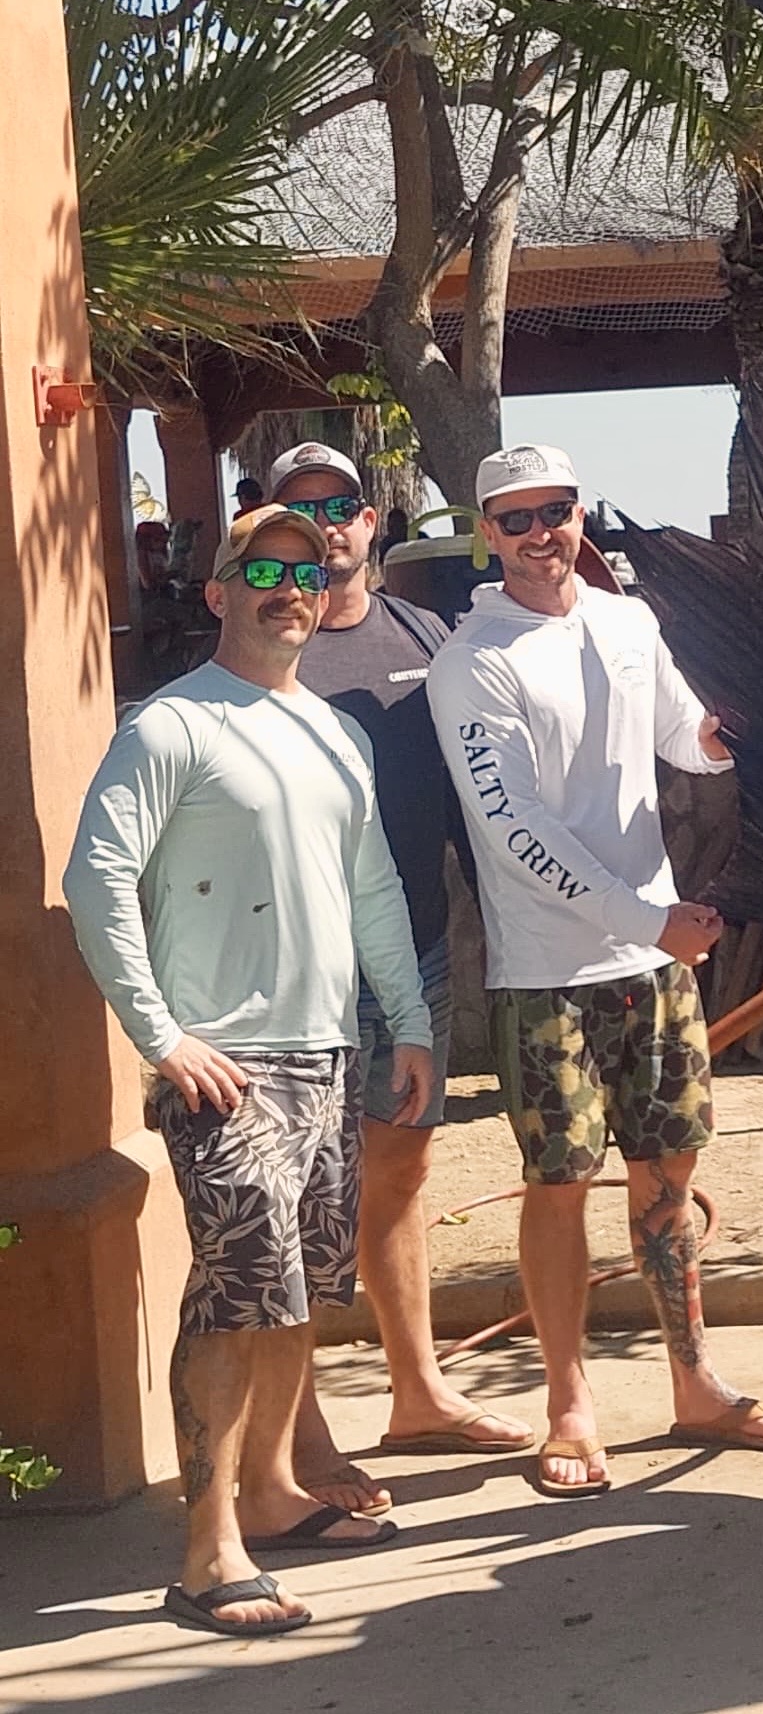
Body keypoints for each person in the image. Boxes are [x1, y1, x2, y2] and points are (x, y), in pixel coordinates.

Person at [63, 505, 433, 1637]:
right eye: (262, 569)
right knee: (232, 1296)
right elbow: (95, 879)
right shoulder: (169, 727)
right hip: (222, 1061)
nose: (291, 586)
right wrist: (163, 1037)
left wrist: (406, 1021)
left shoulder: (336, 732)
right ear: (218, 593)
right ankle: (206, 1548)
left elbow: (372, 888)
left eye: (310, 570)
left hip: (324, 1050)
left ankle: (272, 1496)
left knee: (294, 1295)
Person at [427, 445, 763, 1496]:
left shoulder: (627, 623)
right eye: (513, 519)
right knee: (560, 1187)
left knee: (669, 1177)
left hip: (650, 960)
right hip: (545, 970)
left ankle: (695, 1386)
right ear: (486, 535)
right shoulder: (474, 660)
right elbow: (514, 832)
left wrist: (727, 738)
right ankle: (569, 1407)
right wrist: (650, 915)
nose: (537, 533)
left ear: (578, 514)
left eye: (552, 511)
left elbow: (683, 740)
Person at [266, 442, 529, 1511]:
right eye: (298, 510)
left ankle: (417, 1395)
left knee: (400, 1173)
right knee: (290, 1197)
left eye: (338, 506)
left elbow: (476, 794)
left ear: (371, 521)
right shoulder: (260, 644)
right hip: (293, 967)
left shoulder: (428, 636)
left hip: (413, 950)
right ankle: (302, 1434)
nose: (323, 525)